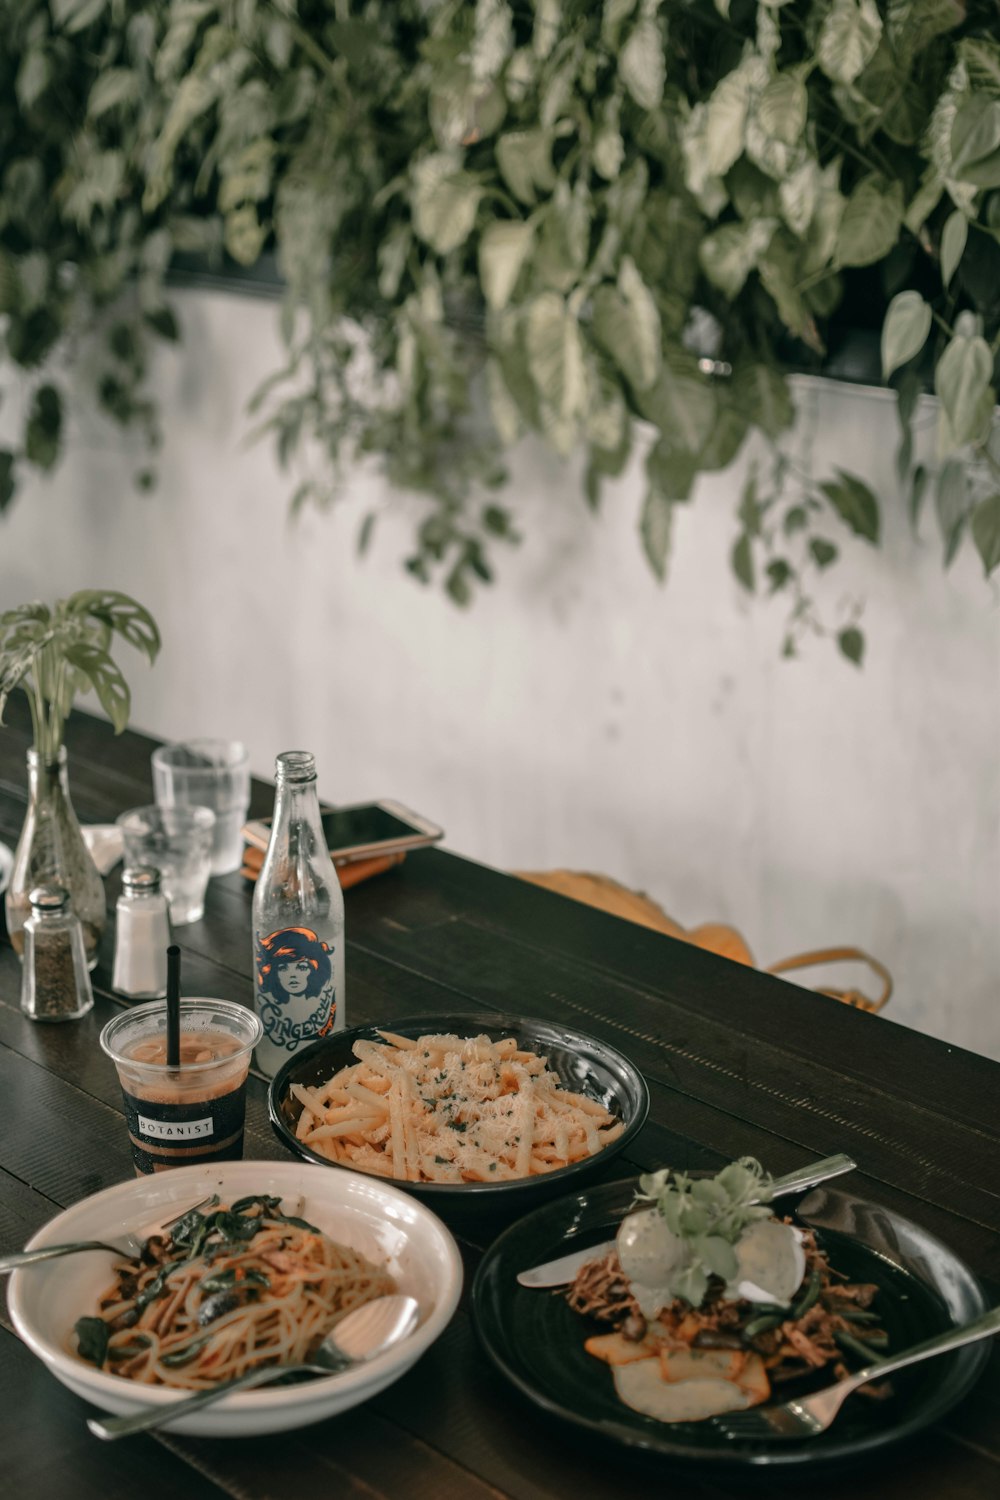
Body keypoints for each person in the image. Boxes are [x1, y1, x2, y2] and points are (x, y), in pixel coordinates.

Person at [254, 926, 337, 1048]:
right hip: (274, 1057)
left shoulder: (326, 999)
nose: (293, 975)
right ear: (273, 972)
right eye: (283, 968)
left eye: (302, 967)